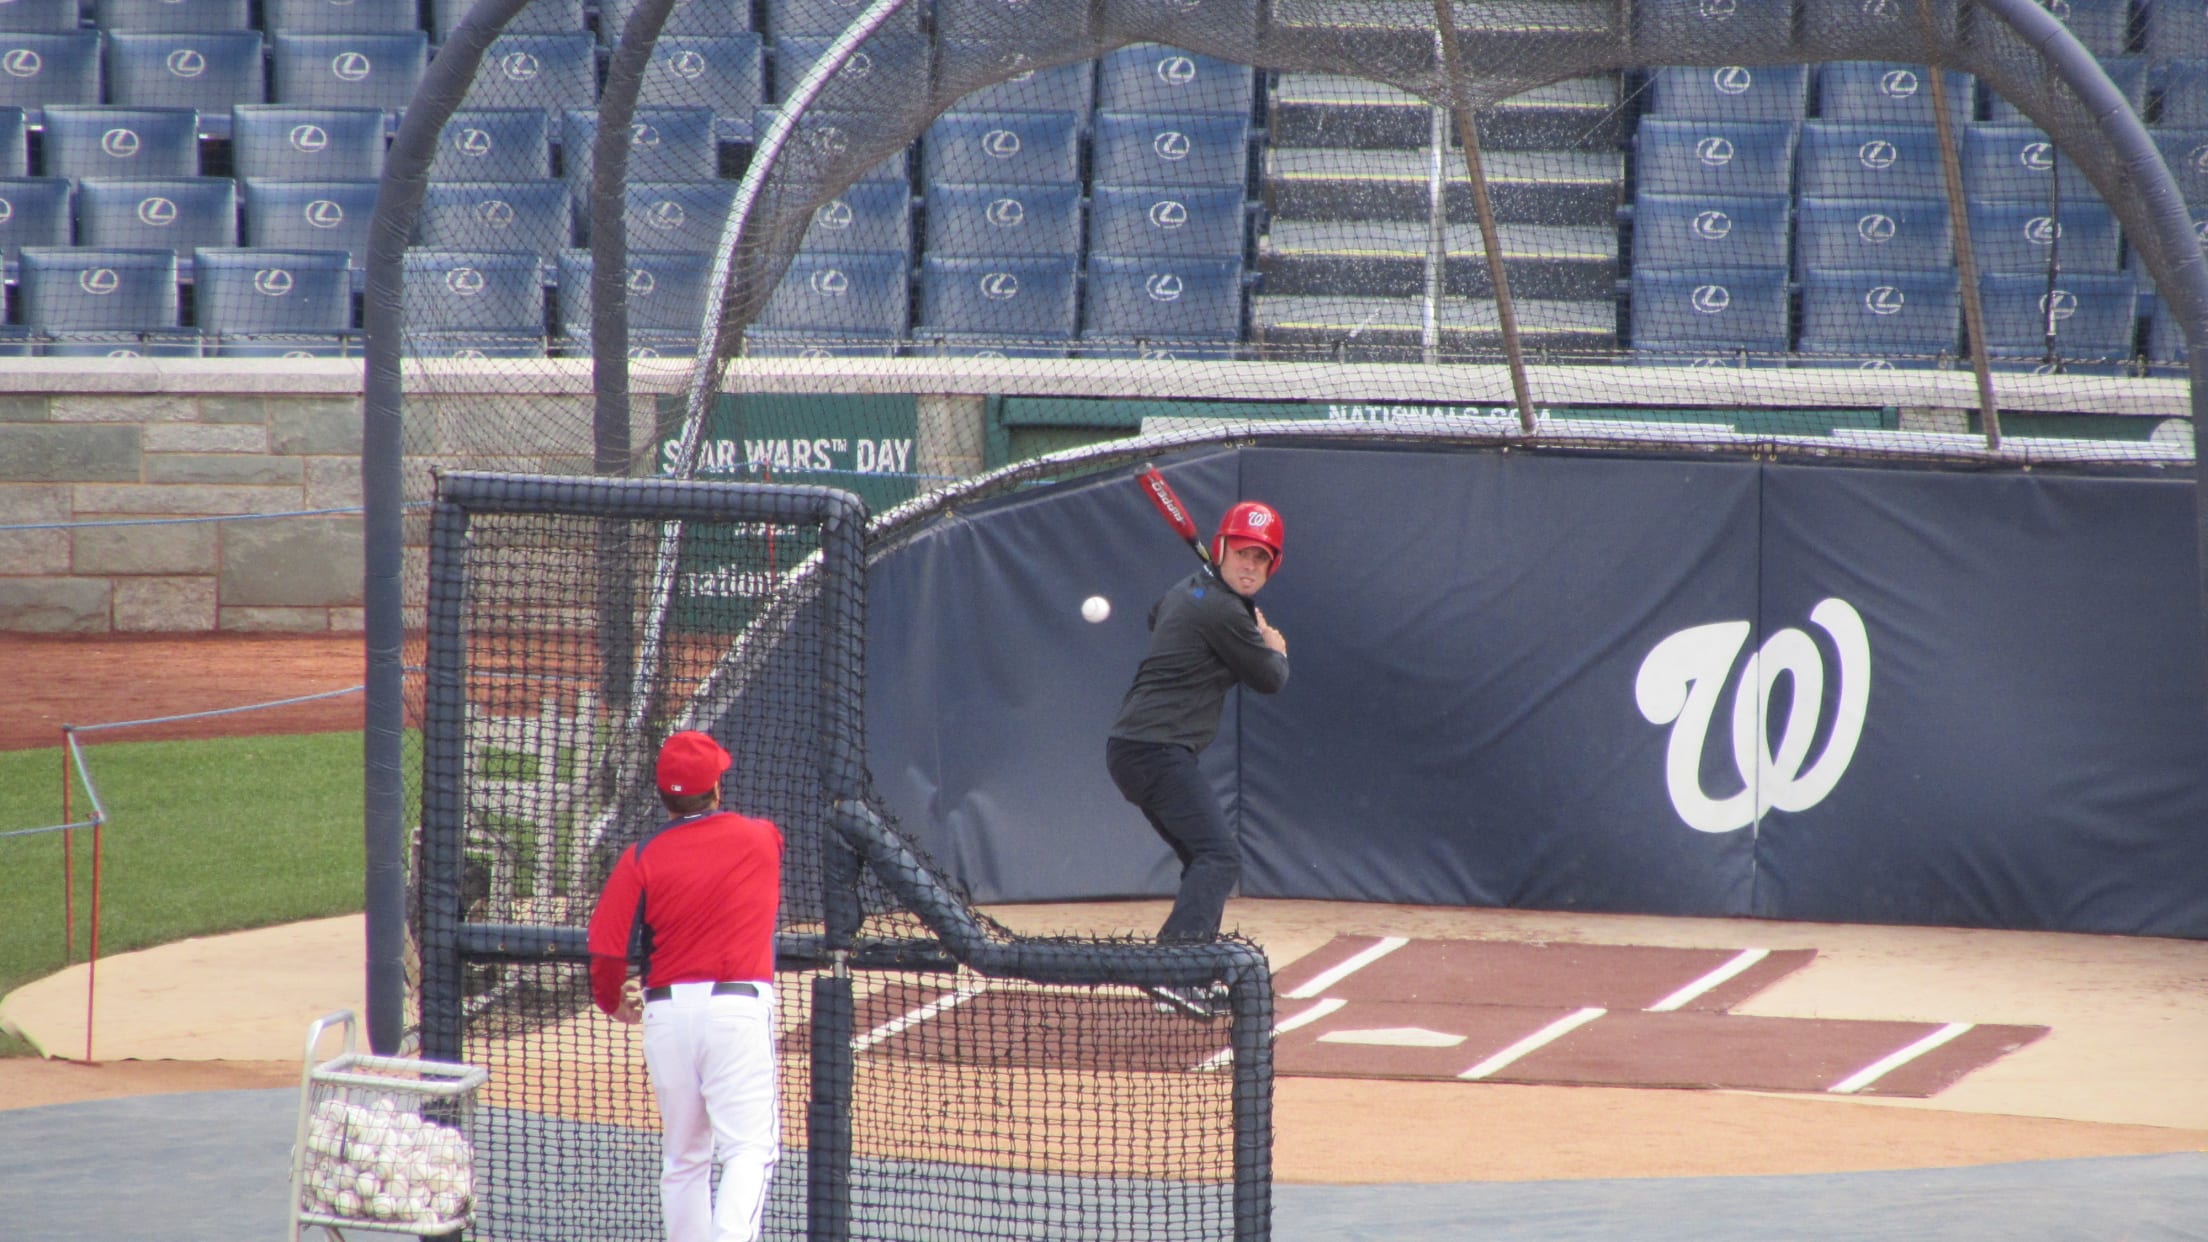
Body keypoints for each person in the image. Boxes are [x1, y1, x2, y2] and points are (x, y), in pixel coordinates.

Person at [585, 730, 784, 1242]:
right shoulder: (761, 837)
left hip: (666, 1017)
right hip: (736, 1013)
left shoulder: (640, 855)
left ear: (663, 796)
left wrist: (614, 1004)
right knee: (748, 1150)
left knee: (684, 1159)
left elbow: (607, 950)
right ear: (716, 788)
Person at [1106, 500, 1290, 1017]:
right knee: (1219, 857)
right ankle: (1171, 967)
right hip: (1154, 750)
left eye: (1261, 557)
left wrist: (1235, 620)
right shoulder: (1220, 609)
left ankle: (1190, 970)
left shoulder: (1189, 591)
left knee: (1201, 859)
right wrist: (1271, 644)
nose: (1250, 565)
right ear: (1222, 548)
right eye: (1242, 553)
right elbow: (1270, 679)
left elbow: (1156, 616)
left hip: (1136, 749)